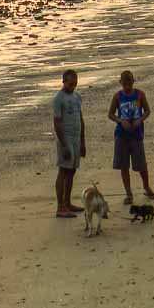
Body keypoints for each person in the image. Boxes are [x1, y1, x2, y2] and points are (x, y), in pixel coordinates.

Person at [108, 70, 154, 205]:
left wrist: (140, 120)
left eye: (129, 83)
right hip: (121, 135)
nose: (127, 86)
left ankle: (147, 188)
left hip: (137, 135)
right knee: (123, 165)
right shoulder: (117, 96)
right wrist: (121, 121)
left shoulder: (140, 94)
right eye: (125, 84)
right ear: (120, 83)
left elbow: (147, 110)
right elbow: (111, 114)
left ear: (133, 81)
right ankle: (128, 193)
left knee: (141, 165)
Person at [52, 68, 86, 218]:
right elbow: (57, 122)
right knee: (63, 170)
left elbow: (81, 119)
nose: (73, 86)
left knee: (72, 170)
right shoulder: (58, 99)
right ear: (64, 81)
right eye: (70, 84)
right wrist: (64, 144)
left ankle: (67, 202)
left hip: (76, 137)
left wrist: (83, 141)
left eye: (75, 84)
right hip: (65, 139)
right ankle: (60, 206)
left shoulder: (77, 97)